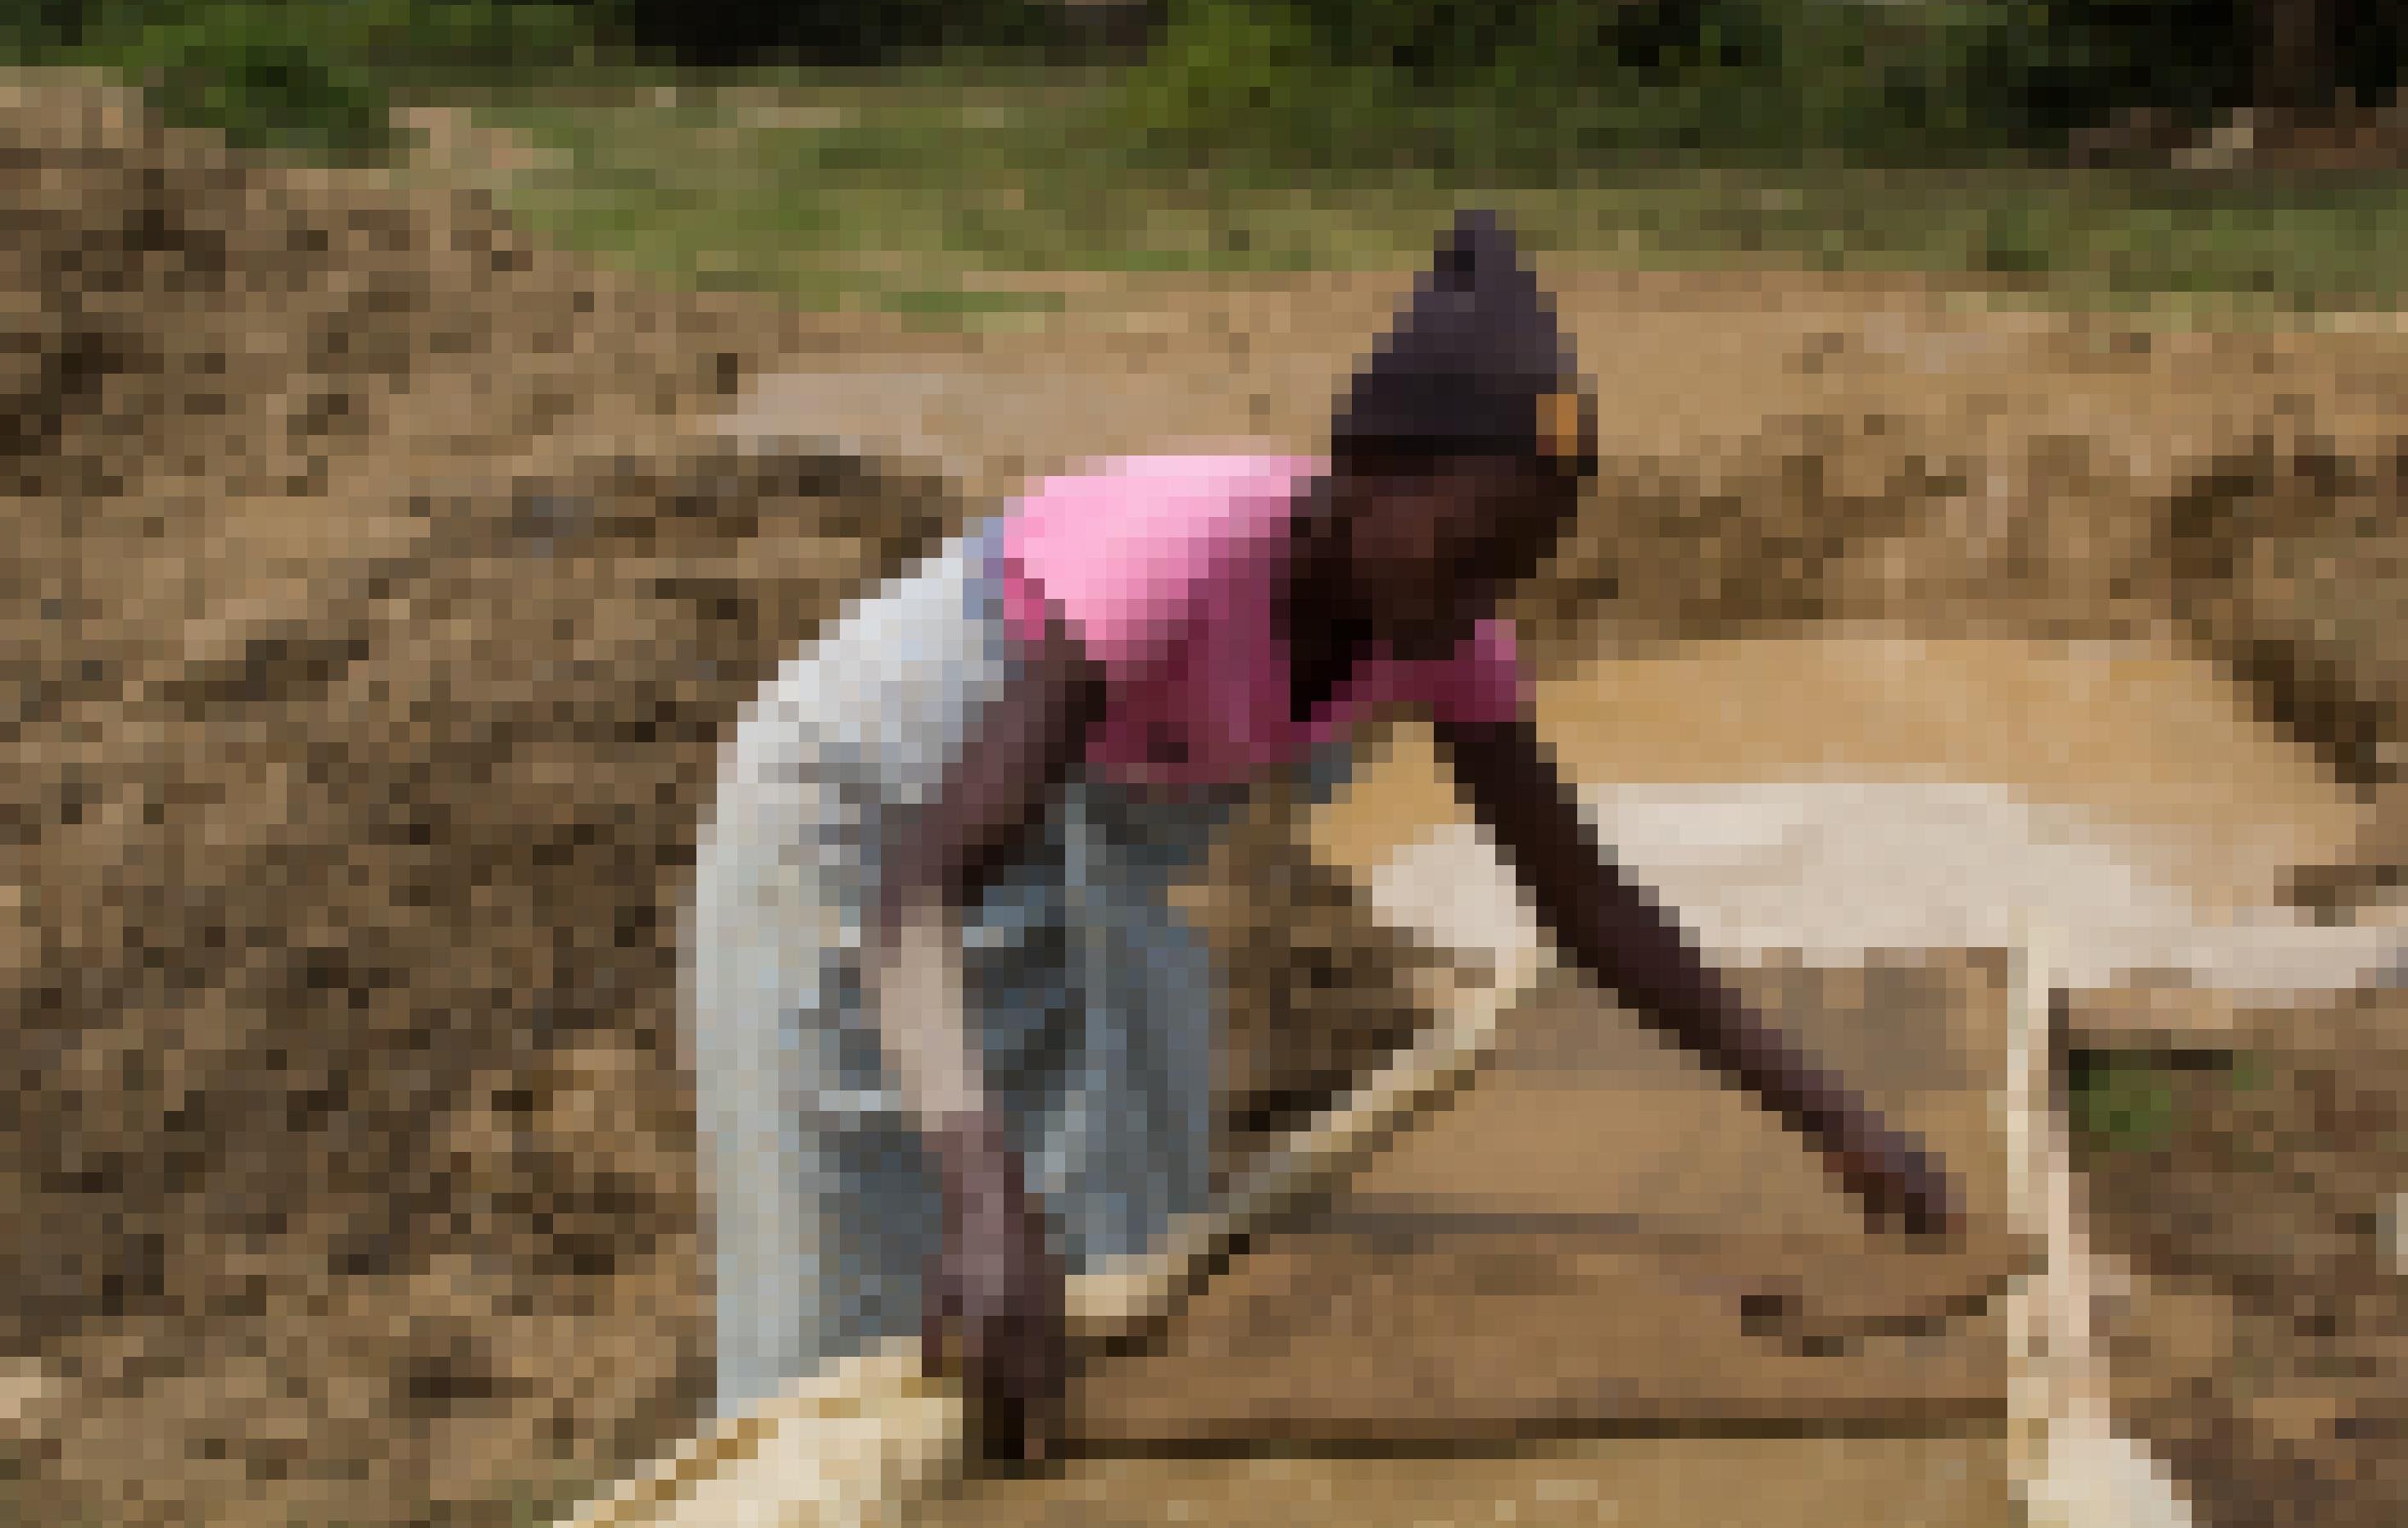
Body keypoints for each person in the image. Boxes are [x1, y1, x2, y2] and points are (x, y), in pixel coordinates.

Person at [685, 209, 1962, 1466]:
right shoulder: (1178, 554)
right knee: (854, 1262)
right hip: (859, 837)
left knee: (1115, 1252)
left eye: (1513, 575)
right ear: (1359, 480)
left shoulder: (1446, 638)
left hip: (1067, 863)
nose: (1478, 605)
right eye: (1465, 554)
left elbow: (1589, 904)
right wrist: (977, 1192)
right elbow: (922, 890)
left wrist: (1834, 1115)